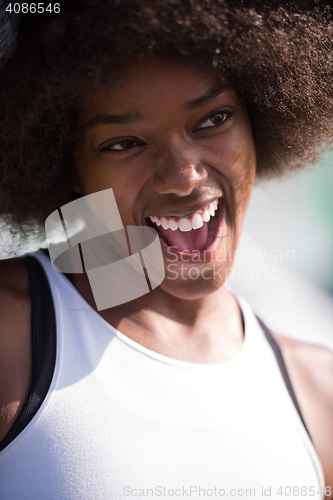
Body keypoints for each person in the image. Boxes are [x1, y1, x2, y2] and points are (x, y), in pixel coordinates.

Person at [0, 1, 332, 498]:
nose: (184, 176)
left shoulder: (319, 389)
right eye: (125, 143)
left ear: (260, 119)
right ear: (68, 165)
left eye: (213, 119)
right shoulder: (10, 333)